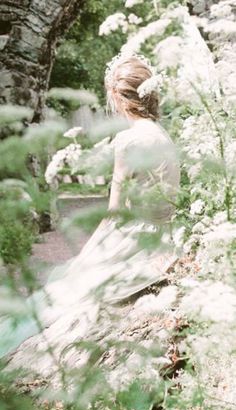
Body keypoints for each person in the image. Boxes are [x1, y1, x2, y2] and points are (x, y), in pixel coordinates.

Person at [1, 55, 180, 376]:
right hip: (161, 243)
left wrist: (86, 256)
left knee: (63, 286)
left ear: (116, 97)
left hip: (132, 246)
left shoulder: (129, 140)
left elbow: (114, 215)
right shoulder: (165, 138)